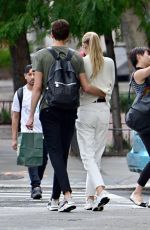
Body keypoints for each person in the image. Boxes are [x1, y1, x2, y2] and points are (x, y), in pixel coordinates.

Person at [26, 19, 105, 212]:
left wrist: (30, 116)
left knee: (54, 152)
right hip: (70, 109)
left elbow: (37, 88)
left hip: (49, 109)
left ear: (52, 34)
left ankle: (67, 196)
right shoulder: (76, 57)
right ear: (68, 36)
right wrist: (103, 93)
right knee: (62, 154)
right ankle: (54, 199)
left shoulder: (41, 56)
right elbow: (85, 87)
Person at [76, 32, 115, 211]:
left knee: (87, 155)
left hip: (86, 109)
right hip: (103, 110)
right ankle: (90, 199)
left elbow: (79, 89)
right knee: (96, 155)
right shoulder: (110, 62)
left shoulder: (81, 62)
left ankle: (100, 192)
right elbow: (111, 87)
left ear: (85, 45)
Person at [11, 64, 48, 199]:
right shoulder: (20, 93)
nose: (32, 77)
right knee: (31, 160)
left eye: (35, 74)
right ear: (25, 76)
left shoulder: (44, 92)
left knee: (43, 160)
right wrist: (14, 138)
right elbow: (15, 116)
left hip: (45, 132)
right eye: (30, 74)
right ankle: (36, 186)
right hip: (28, 131)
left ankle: (36, 184)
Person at [129, 47, 150, 207]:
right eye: (147, 53)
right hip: (145, 122)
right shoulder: (137, 74)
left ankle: (137, 191)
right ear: (138, 56)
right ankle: (137, 192)